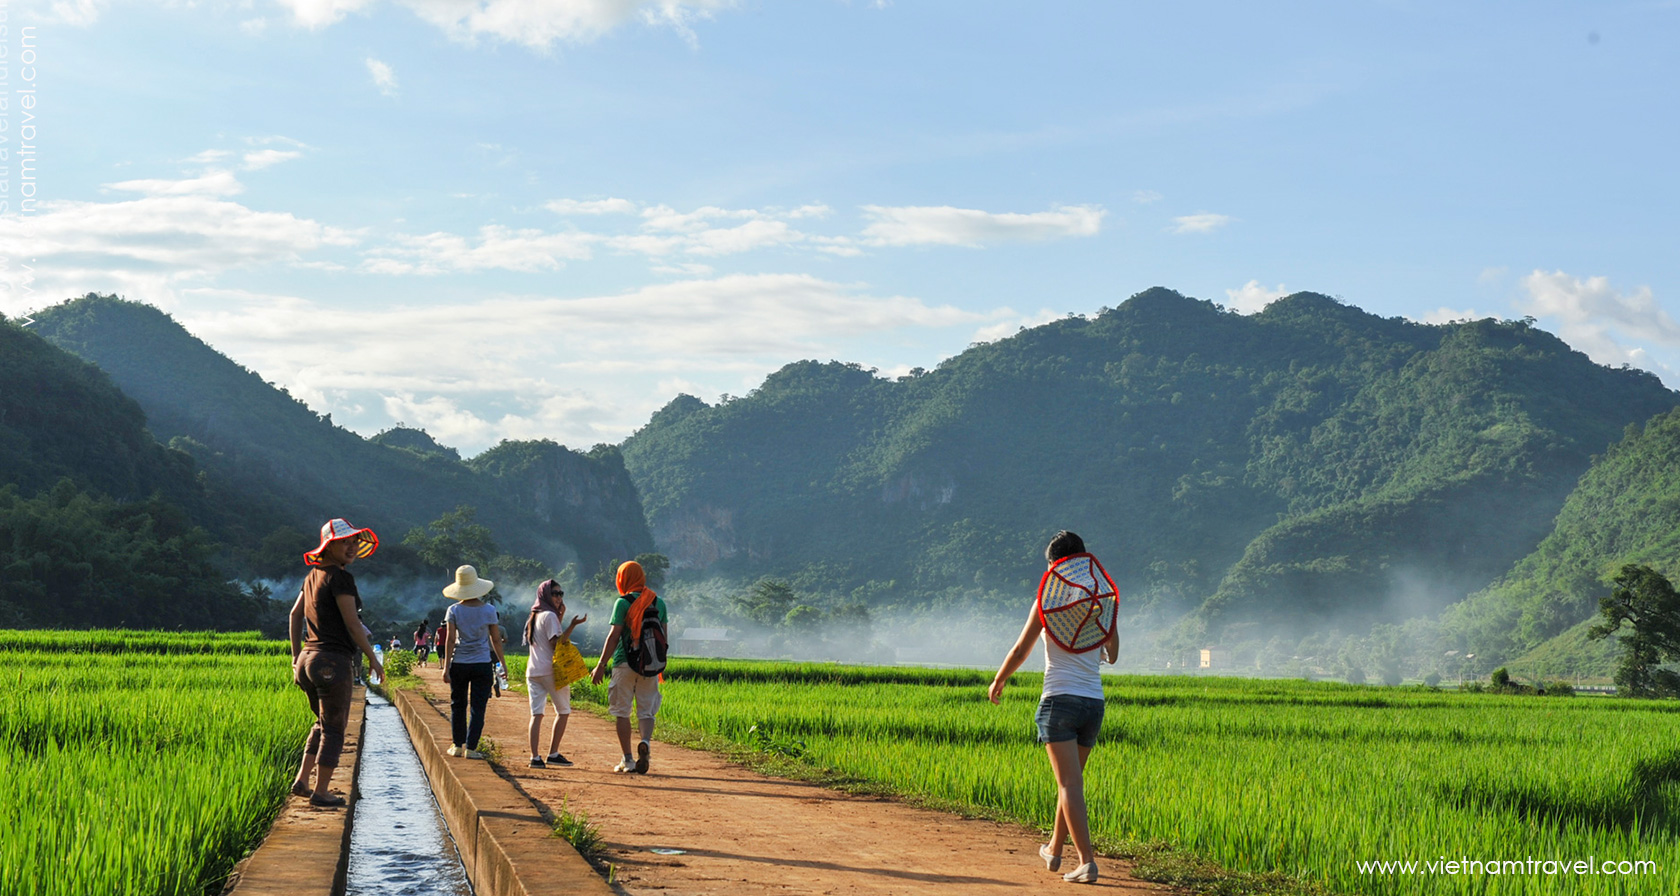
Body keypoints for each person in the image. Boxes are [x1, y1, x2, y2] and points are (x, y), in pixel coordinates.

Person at [988, 530, 1120, 885]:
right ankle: (1054, 850)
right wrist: (1106, 620)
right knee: (1071, 783)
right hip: (1093, 705)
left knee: (1068, 786)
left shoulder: (1048, 602)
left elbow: (1020, 650)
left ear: (1055, 566)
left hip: (1058, 701)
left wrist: (999, 680)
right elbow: (1113, 654)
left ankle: (1087, 862)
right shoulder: (1102, 603)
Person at [288, 518, 383, 809]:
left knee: (321, 722)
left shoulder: (312, 576)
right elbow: (353, 625)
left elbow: (295, 615)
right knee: (335, 728)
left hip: (308, 658)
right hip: (332, 660)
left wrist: (295, 657)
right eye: (345, 542)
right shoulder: (341, 579)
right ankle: (322, 791)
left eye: (355, 542)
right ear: (329, 546)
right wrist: (372, 658)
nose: (352, 546)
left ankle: (303, 780)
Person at [590, 560, 667, 774]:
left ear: (622, 578)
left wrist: (600, 665)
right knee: (646, 711)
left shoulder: (622, 603)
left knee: (622, 711)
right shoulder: (658, 602)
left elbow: (614, 636)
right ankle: (645, 742)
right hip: (650, 665)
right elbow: (664, 639)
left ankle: (628, 759)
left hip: (625, 662)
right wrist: (658, 665)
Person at [440, 565, 504, 760]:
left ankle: (457, 745)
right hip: (482, 663)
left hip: (459, 663)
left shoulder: (453, 610)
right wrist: (503, 663)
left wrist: (446, 667)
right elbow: (495, 639)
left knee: (457, 705)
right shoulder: (489, 610)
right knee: (478, 707)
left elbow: (450, 640)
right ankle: (472, 748)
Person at [523, 579, 587, 768]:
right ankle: (553, 752)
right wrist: (572, 624)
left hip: (533, 670)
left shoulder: (534, 615)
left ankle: (535, 757)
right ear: (546, 595)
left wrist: (560, 616)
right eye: (555, 593)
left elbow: (545, 638)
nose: (559, 597)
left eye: (561, 594)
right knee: (564, 711)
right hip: (551, 671)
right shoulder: (549, 616)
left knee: (536, 714)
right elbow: (556, 644)